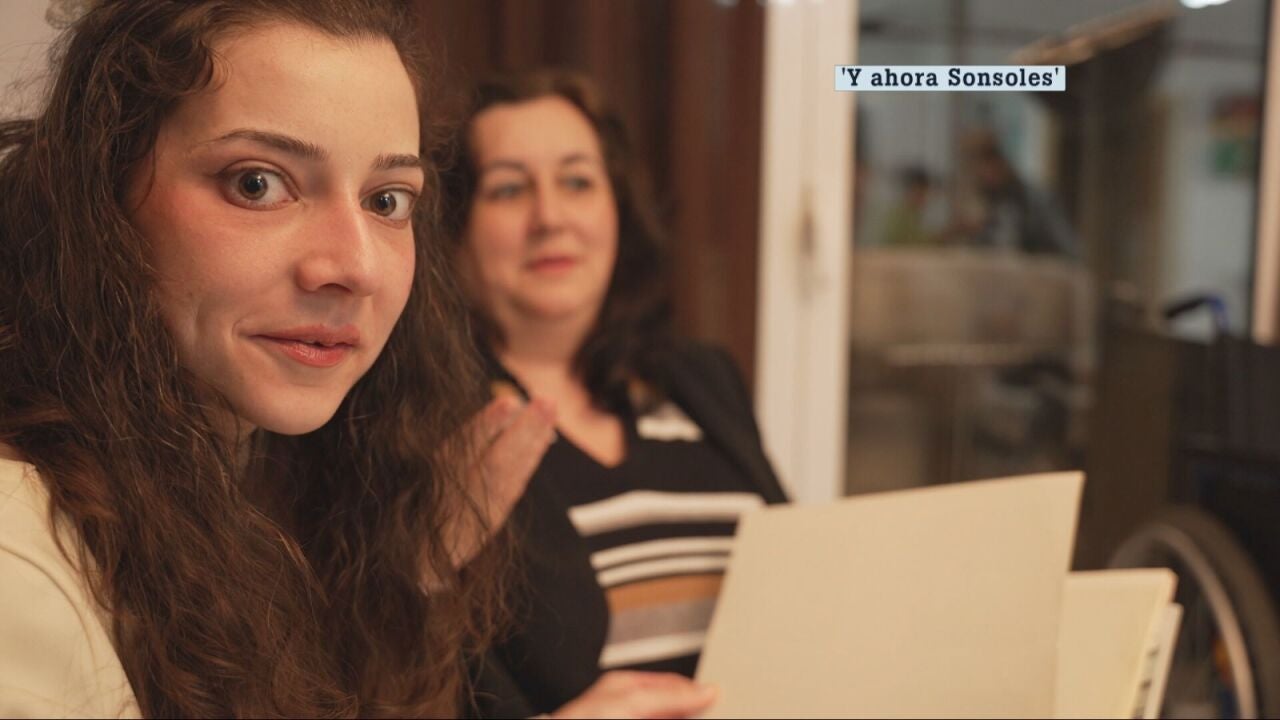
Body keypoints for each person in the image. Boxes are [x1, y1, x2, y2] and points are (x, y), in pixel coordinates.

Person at [442, 69, 789, 718]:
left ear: (618, 209)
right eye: (509, 189)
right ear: (452, 229)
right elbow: (397, 669)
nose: (550, 217)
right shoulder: (427, 424)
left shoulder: (701, 378)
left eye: (577, 181)